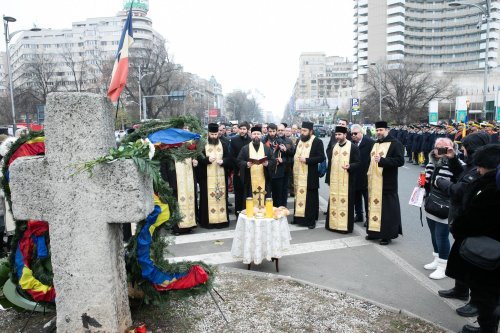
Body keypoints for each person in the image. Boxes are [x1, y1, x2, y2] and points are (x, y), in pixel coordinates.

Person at [434, 132, 491, 318]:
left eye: (465, 147)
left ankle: (475, 302)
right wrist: (452, 160)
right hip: (462, 221)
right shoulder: (474, 167)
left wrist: (441, 183)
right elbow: (461, 174)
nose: (462, 150)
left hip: (471, 225)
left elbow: (459, 189)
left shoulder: (482, 169)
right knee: (461, 257)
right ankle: (460, 289)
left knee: (472, 262)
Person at [446, 144, 500, 333]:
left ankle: (487, 329)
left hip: (486, 252)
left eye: (481, 166)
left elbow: (475, 219)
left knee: (485, 293)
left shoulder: (491, 189)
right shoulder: (489, 183)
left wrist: (458, 227)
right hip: (490, 249)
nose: (478, 169)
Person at [422, 137, 458, 280]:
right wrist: (423, 183)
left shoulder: (456, 164)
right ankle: (437, 258)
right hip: (431, 203)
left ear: (451, 148)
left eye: (444, 147)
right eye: (438, 147)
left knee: (441, 236)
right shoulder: (431, 162)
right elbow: (427, 180)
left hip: (446, 205)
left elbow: (457, 186)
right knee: (433, 233)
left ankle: (444, 265)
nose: (440, 150)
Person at [366, 121, 404, 245]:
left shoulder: (395, 143)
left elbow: (400, 161)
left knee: (387, 211)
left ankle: (386, 235)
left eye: (381, 130)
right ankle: (373, 232)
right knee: (374, 208)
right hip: (374, 182)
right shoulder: (376, 143)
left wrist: (383, 161)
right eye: (377, 130)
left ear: (387, 130)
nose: (378, 132)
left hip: (387, 182)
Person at [325, 126, 360, 233]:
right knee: (334, 202)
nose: (337, 136)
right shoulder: (334, 147)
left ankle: (345, 227)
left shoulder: (352, 147)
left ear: (345, 135)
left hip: (347, 181)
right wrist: (329, 179)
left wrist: (350, 166)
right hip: (335, 181)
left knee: (346, 203)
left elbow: (358, 163)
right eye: (336, 134)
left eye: (339, 134)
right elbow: (330, 164)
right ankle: (333, 225)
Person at [197, 123, 233, 229]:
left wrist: (223, 161)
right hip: (206, 179)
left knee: (221, 198)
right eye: (212, 134)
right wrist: (206, 160)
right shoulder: (202, 144)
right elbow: (198, 160)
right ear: (208, 133)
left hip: (221, 178)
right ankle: (207, 222)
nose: (214, 136)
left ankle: (221, 221)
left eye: (215, 134)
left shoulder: (224, 144)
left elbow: (229, 159)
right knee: (206, 200)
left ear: (218, 133)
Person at [292, 121, 326, 229]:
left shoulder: (317, 141)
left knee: (310, 199)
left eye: (305, 131)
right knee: (298, 197)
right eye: (301, 130)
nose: (302, 132)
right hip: (298, 175)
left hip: (310, 175)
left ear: (311, 131)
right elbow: (294, 154)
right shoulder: (299, 140)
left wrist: (307, 160)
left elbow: (321, 157)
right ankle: (297, 218)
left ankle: (310, 221)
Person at [160, 147, 198, 235]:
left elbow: (192, 167)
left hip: (188, 185)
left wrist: (194, 163)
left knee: (189, 205)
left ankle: (189, 226)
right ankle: (176, 228)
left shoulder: (188, 152)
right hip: (175, 184)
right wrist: (167, 183)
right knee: (176, 206)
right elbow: (163, 169)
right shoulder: (167, 152)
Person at [237, 126, 274, 209]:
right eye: (254, 134)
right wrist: (246, 164)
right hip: (250, 181)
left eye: (258, 134)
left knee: (264, 198)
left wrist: (267, 164)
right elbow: (239, 161)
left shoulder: (266, 148)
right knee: (250, 199)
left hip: (264, 180)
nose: (256, 136)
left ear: (261, 135)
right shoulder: (245, 149)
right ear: (251, 135)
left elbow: (273, 161)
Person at [350, 124, 375, 225]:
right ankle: (359, 215)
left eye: (355, 133)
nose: (353, 135)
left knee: (367, 198)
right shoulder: (351, 144)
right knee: (356, 197)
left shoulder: (370, 142)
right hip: (355, 174)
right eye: (352, 134)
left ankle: (369, 218)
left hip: (366, 175)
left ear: (361, 133)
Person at [230, 122, 251, 216]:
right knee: (238, 192)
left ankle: (247, 211)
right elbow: (232, 156)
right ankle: (238, 212)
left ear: (247, 130)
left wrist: (246, 165)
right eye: (241, 129)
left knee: (247, 192)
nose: (242, 131)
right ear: (238, 129)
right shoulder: (234, 140)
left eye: (244, 129)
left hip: (248, 170)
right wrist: (239, 167)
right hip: (237, 170)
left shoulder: (251, 140)